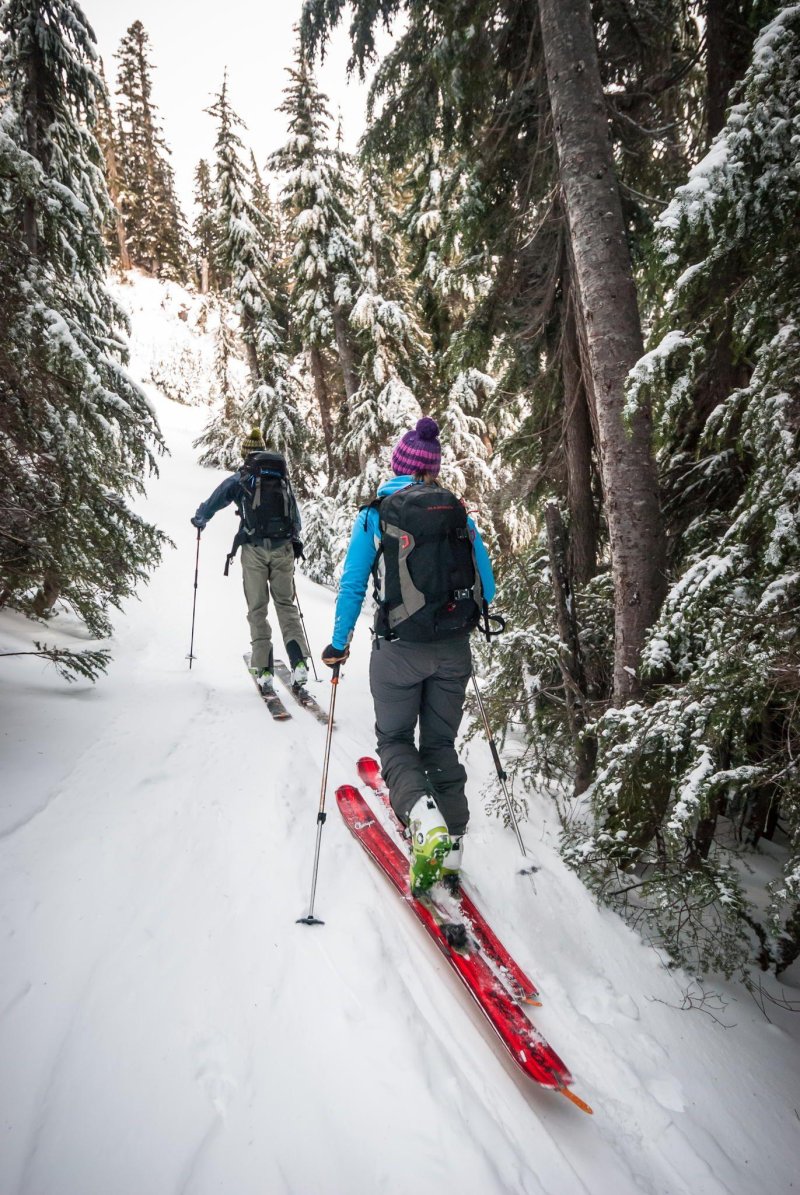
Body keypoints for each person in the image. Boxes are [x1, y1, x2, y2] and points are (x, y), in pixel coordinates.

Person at [322, 417, 496, 894]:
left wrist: (339, 646)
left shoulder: (377, 513)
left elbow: (354, 584)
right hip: (454, 652)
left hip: (398, 652)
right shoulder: (458, 513)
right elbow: (490, 587)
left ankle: (424, 820)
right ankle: (453, 841)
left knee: (395, 739)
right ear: (433, 469)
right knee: (439, 743)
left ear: (398, 466)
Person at [191, 427, 310, 693]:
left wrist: (200, 519)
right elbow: (295, 518)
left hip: (254, 550)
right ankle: (299, 661)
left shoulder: (242, 478)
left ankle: (265, 669)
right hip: (283, 550)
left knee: (258, 608)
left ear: (245, 454)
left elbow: (214, 501)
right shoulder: (281, 478)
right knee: (285, 606)